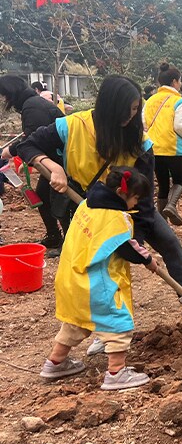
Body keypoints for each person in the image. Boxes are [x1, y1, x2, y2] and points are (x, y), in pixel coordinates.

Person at [16, 75, 182, 343]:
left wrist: (134, 241)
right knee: (106, 270)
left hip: (133, 208)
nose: (131, 116)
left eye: (135, 110)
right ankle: (104, 332)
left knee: (169, 242)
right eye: (127, 110)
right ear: (108, 107)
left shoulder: (140, 142)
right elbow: (25, 146)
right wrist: (51, 164)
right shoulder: (72, 126)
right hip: (92, 212)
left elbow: (142, 199)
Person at [39, 167, 156, 390]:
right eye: (136, 199)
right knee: (116, 323)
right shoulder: (114, 218)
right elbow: (127, 249)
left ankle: (55, 363)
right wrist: (148, 259)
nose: (136, 205)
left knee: (75, 323)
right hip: (96, 283)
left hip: (71, 278)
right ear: (122, 194)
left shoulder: (87, 204)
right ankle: (116, 372)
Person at [0, 75, 65, 254]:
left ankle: (68, 241)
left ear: (11, 93)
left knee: (59, 200)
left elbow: (34, 137)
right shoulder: (31, 104)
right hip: (51, 159)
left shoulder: (32, 106)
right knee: (43, 195)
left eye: (4, 96)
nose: (5, 100)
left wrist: (12, 151)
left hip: (61, 159)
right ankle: (53, 236)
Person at [144, 63, 182, 226]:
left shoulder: (150, 101)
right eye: (179, 81)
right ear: (174, 81)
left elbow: (143, 123)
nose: (180, 84)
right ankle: (172, 206)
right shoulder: (178, 101)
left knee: (163, 185)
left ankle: (162, 224)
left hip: (154, 148)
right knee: (179, 181)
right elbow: (180, 126)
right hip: (173, 148)